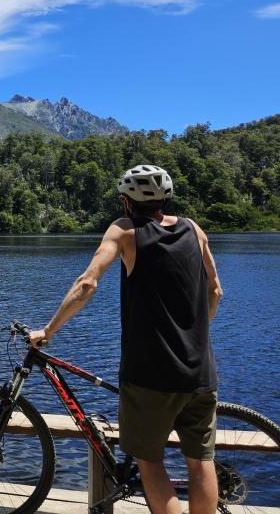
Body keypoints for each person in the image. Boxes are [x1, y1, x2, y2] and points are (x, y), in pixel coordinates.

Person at [29, 164, 224, 514]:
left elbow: (87, 283)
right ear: (166, 197)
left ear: (126, 201)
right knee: (200, 460)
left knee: (150, 461)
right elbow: (216, 291)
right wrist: (193, 335)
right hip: (201, 372)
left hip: (150, 375)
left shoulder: (124, 230)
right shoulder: (194, 229)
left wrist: (49, 330)